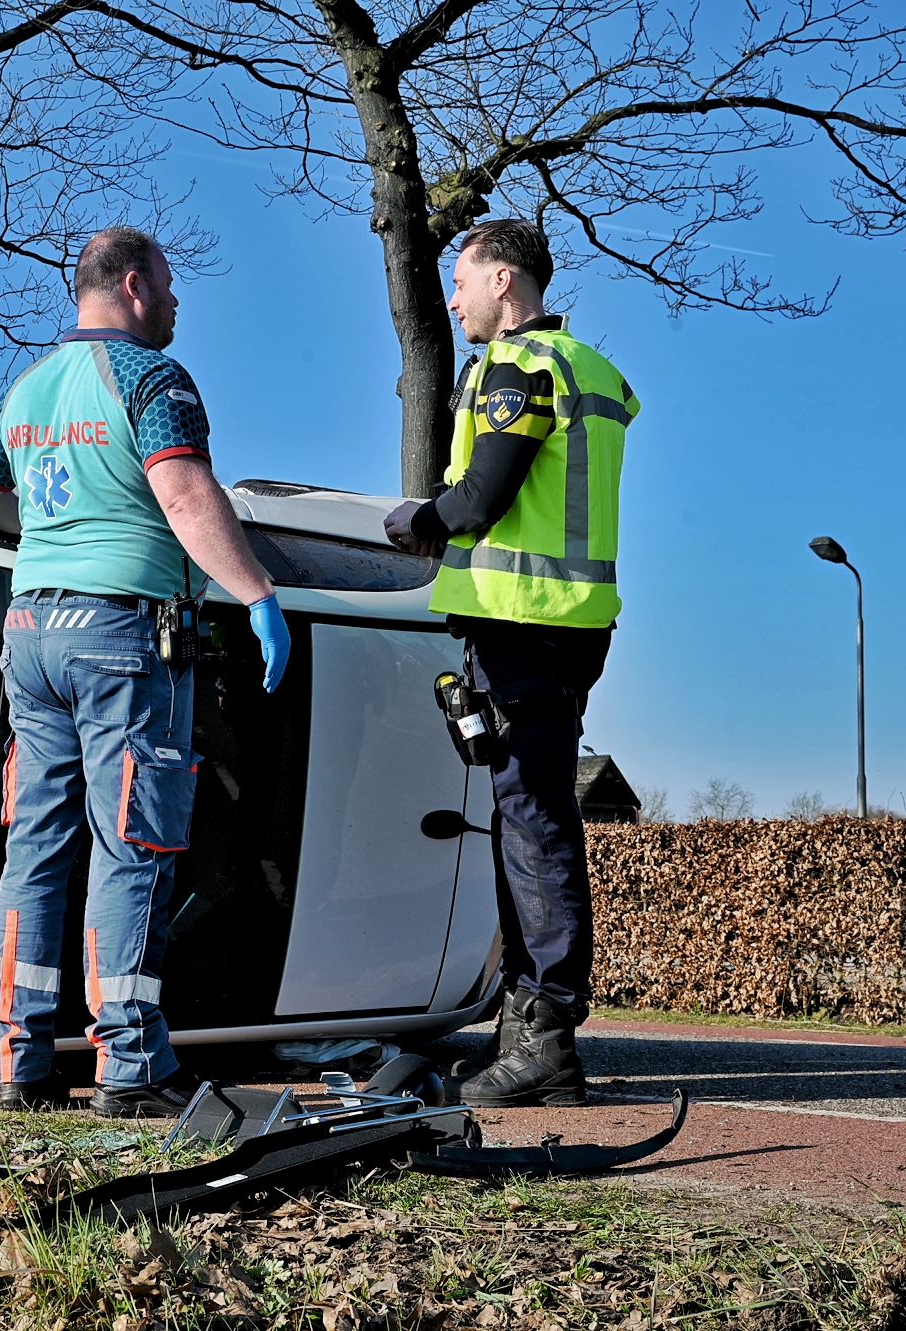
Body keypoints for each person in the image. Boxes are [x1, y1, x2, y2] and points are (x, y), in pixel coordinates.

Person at [0, 226, 292, 1117]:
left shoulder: (25, 387)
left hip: (30, 632)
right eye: (173, 289)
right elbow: (183, 493)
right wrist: (255, 592)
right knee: (133, 842)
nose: (179, 306)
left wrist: (53, 539)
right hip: (123, 635)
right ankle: (131, 1067)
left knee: (33, 846)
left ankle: (17, 1061)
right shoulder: (151, 379)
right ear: (136, 286)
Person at [383, 219, 638, 1109]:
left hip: (526, 622)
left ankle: (548, 1034)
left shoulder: (519, 368)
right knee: (527, 815)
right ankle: (526, 1034)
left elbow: (484, 494)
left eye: (461, 282)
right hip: (568, 621)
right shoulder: (591, 369)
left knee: (532, 820)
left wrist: (420, 517)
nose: (451, 300)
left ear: (503, 278)